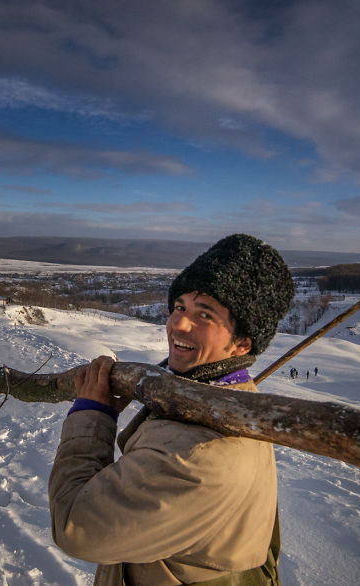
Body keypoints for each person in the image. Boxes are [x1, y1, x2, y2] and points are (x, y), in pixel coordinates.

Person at [49, 233, 295, 585]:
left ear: (242, 343)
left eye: (204, 314)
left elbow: (74, 525)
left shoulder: (199, 455)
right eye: (179, 307)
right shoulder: (237, 399)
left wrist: (92, 415)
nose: (178, 324)